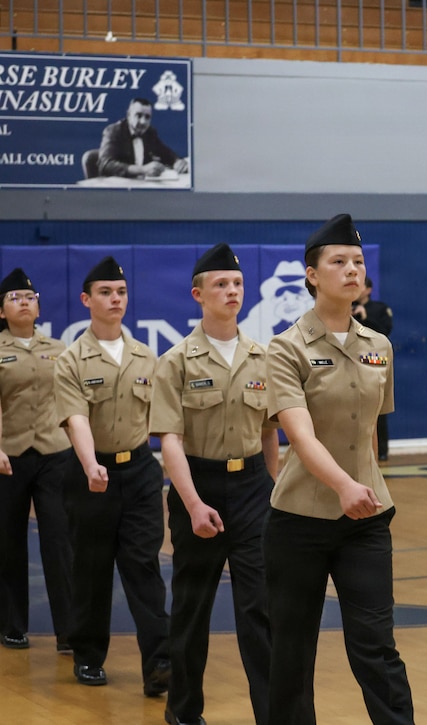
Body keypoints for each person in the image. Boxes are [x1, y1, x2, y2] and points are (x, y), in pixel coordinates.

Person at [264, 214, 414, 725]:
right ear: (311, 275)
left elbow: (369, 431)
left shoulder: (379, 347)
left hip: (366, 518)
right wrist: (344, 484)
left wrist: (363, 484)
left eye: (357, 262)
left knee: (375, 643)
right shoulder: (285, 349)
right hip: (300, 519)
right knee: (292, 646)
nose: (352, 270)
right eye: (338, 262)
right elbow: (299, 435)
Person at [150, 244, 278, 725]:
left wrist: (273, 488)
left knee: (259, 609)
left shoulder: (262, 356)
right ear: (198, 294)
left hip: (251, 489)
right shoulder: (177, 361)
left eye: (237, 284)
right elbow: (171, 441)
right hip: (196, 487)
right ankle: (183, 712)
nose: (231, 292)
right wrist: (193, 504)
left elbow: (269, 432)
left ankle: (272, 713)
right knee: (192, 607)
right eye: (221, 285)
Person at [53, 256, 171, 694]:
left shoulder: (145, 355)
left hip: (139, 471)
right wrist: (89, 464)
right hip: (89, 473)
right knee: (92, 568)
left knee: (144, 566)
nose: (115, 299)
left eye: (120, 292)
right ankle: (87, 655)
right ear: (87, 300)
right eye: (105, 292)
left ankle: (160, 663)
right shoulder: (71, 361)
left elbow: (161, 419)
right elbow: (75, 417)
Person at [0, 268, 74, 654]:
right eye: (14, 298)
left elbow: (72, 402)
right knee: (9, 542)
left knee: (59, 541)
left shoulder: (59, 349)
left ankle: (69, 630)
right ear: (1, 311)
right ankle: (13, 624)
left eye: (29, 297)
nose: (23, 302)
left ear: (39, 306)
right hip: (8, 456)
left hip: (53, 453)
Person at [352, 277, 393, 461]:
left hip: (373, 361)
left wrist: (366, 319)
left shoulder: (379, 309)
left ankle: (382, 450)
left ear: (368, 290)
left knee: (378, 408)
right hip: (351, 361)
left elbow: (384, 332)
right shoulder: (347, 309)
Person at [98, 97, 189, 179]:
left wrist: (177, 161)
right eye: (138, 115)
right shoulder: (113, 131)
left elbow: (165, 152)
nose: (143, 121)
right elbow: (105, 165)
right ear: (129, 115)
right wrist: (142, 169)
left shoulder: (149, 132)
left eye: (147, 117)